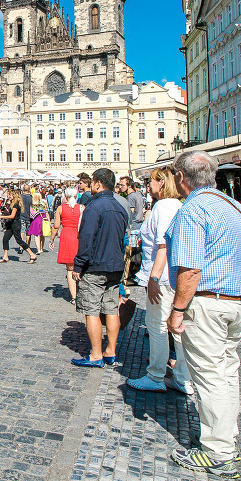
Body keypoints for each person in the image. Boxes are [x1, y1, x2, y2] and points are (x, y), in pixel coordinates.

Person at [165, 150, 241, 478]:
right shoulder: (234, 205)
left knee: (209, 375)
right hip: (237, 300)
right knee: (228, 371)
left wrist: (177, 310)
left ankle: (217, 453)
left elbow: (190, 269)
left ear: (181, 178)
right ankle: (226, 437)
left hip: (207, 303)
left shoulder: (193, 210)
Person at [128, 167, 192, 394]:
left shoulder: (164, 206)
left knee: (158, 326)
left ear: (162, 183)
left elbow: (163, 244)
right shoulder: (177, 205)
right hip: (173, 275)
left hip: (162, 276)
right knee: (176, 326)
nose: (148, 186)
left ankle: (156, 375)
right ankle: (182, 377)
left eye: (151, 182)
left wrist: (153, 276)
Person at [70, 168, 129, 369]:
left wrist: (79, 264)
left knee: (92, 310)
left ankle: (96, 354)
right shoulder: (119, 206)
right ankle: (111, 351)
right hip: (115, 265)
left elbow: (86, 239)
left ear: (97, 184)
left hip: (96, 266)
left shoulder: (94, 207)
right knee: (112, 308)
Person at [54, 187, 83, 301]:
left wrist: (51, 239)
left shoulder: (61, 208)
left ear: (65, 197)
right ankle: (81, 293)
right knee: (80, 266)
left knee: (70, 269)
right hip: (79, 237)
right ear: (76, 196)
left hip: (67, 236)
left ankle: (74, 296)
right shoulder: (82, 208)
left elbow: (56, 226)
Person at [0, 189, 38, 262]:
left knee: (19, 240)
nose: (8, 196)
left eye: (10, 195)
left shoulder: (16, 204)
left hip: (15, 224)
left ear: (14, 196)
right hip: (11, 224)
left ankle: (32, 254)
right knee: (5, 239)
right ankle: (5, 257)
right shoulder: (12, 204)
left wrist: (0, 217)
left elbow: (12, 216)